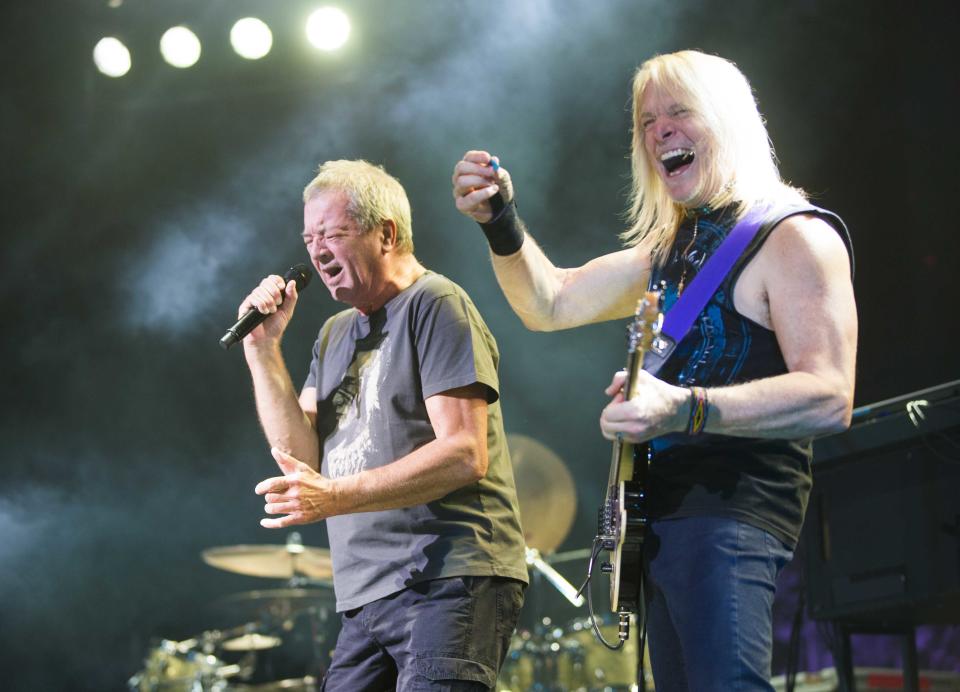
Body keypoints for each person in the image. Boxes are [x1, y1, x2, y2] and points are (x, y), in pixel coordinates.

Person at [452, 50, 857, 691]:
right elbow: (551, 301)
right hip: (657, 520)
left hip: (733, 512)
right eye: (647, 121)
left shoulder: (793, 236)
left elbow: (830, 396)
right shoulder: (670, 251)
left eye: (679, 112)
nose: (659, 130)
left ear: (727, 122)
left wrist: (682, 406)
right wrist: (500, 221)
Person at [240, 159, 528, 691]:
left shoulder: (436, 303)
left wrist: (335, 497)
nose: (317, 251)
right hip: (365, 595)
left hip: (449, 576)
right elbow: (298, 456)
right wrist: (262, 350)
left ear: (386, 234)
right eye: (309, 238)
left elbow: (465, 452)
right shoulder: (332, 334)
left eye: (332, 233)